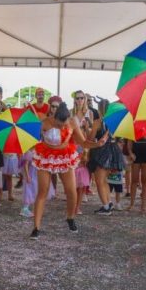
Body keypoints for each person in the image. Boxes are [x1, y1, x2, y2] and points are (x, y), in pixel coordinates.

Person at [30, 102, 104, 239]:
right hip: (46, 156)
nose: (61, 127)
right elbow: (33, 139)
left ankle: (70, 217)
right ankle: (36, 227)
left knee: (71, 190)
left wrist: (97, 144)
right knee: (42, 191)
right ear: (54, 116)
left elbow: (83, 143)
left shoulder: (73, 123)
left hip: (65, 156)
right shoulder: (44, 122)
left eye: (63, 125)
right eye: (58, 124)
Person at [87, 98, 126, 216]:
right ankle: (108, 203)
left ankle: (106, 206)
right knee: (104, 180)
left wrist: (87, 129)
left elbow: (90, 138)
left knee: (99, 181)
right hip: (114, 151)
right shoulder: (115, 122)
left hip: (101, 152)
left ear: (99, 109)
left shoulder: (98, 122)